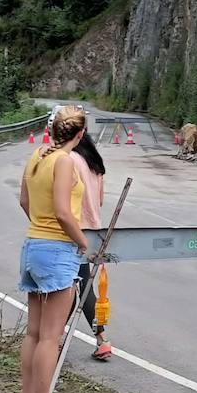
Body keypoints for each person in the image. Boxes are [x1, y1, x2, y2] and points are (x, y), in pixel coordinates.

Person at [15, 104, 90, 393]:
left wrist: (40, 228)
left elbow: (24, 201)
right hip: (58, 249)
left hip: (33, 245)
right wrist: (82, 242)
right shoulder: (64, 162)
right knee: (51, 337)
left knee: (34, 332)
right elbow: (63, 211)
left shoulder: (39, 156)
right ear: (81, 134)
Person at [72, 134, 113, 361]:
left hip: (74, 231)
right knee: (83, 286)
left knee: (77, 289)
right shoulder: (95, 165)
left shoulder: (69, 160)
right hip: (92, 231)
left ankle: (102, 338)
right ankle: (99, 340)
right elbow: (99, 201)